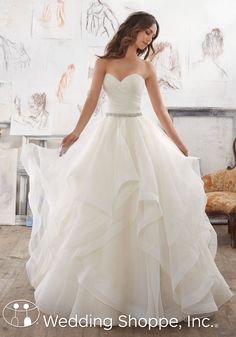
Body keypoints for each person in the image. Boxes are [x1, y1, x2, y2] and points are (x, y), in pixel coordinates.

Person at [21, 11, 233, 327]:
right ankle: (105, 288)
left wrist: (178, 142)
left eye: (153, 35)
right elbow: (92, 101)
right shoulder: (104, 63)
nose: (150, 39)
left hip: (139, 136)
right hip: (107, 137)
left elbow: (160, 110)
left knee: (143, 207)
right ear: (132, 30)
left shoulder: (147, 68)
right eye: (147, 32)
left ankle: (143, 291)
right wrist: (76, 132)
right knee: (103, 209)